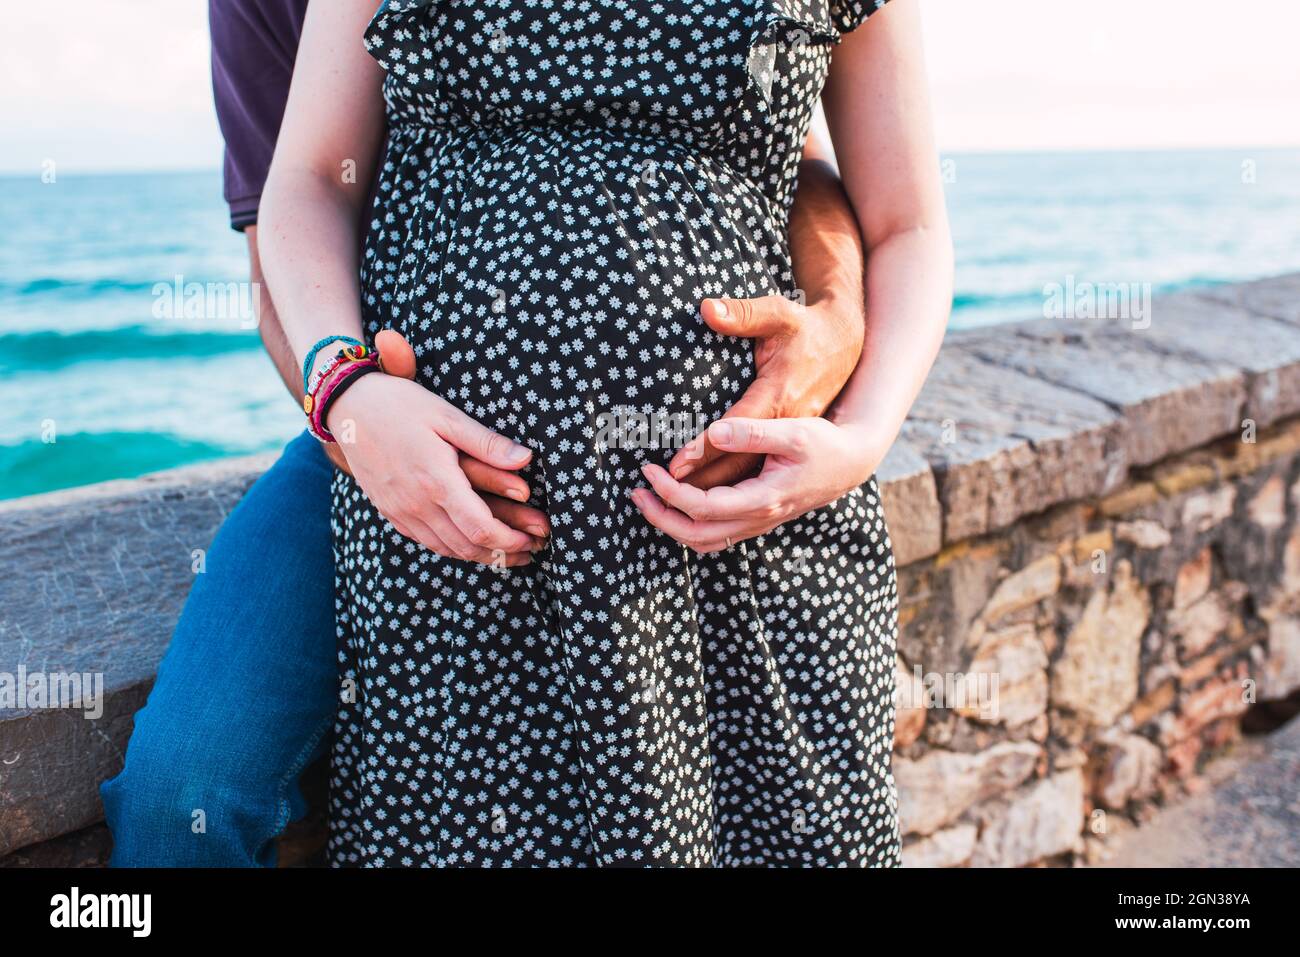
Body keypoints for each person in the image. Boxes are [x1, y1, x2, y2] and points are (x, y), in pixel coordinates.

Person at [100, 0, 898, 867]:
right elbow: (286, 254)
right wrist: (355, 413)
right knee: (182, 793)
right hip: (406, 448)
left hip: (704, 485)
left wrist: (841, 327)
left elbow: (791, 152)